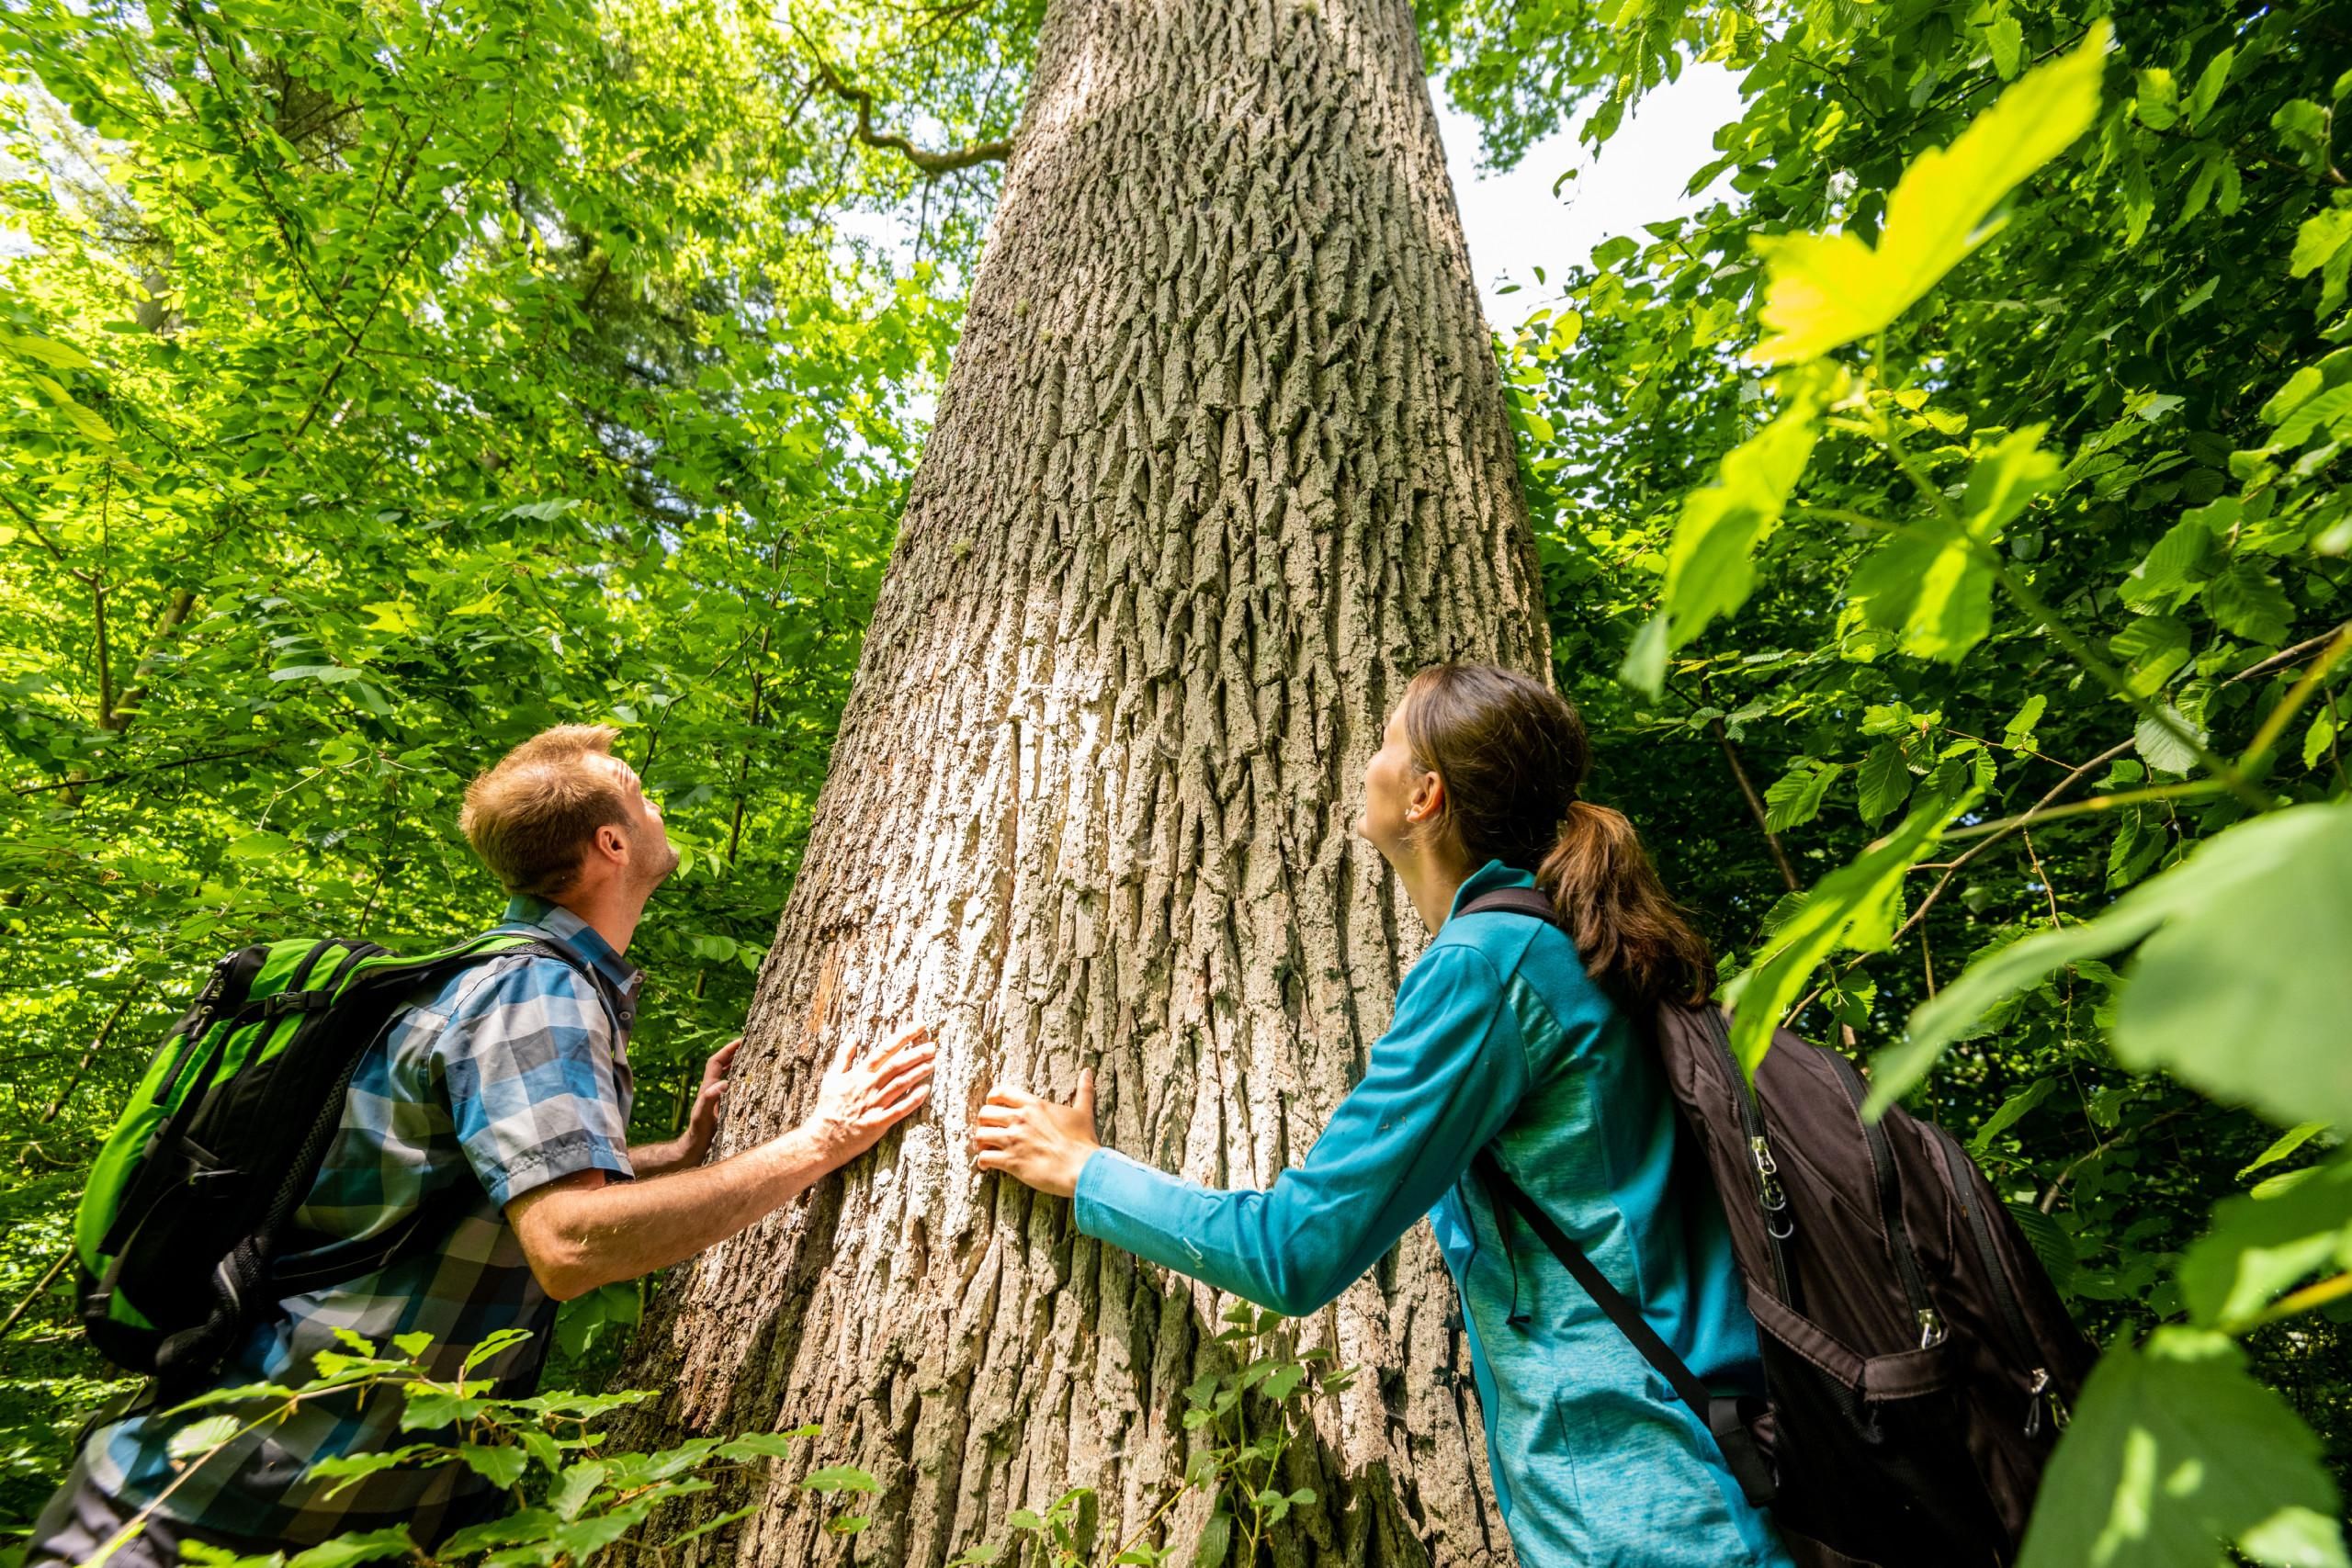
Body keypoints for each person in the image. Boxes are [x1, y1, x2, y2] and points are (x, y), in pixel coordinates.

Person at [28, 725, 935, 1566]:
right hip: (207, 1514)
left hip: (257, 1502)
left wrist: (684, 1151)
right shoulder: (536, 991)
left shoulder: (492, 981)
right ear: (611, 843)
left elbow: (473, 1191)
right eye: (640, 795)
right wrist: (822, 1140)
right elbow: (570, 1244)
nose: (655, 809)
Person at [972, 664, 1794, 1568]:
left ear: (1424, 795)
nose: (1367, 761)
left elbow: (1295, 1249)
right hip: (1702, 1490)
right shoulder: (1572, 948)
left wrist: (1087, 1171)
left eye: (1386, 741)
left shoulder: (1487, 967)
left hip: (1639, 1515)